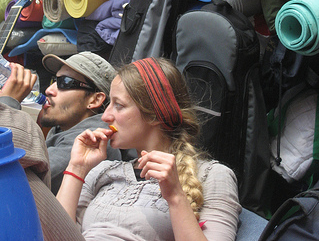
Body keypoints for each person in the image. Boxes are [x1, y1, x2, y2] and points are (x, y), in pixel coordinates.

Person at [55, 57, 242, 241]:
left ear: (155, 114)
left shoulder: (212, 176)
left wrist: (176, 196)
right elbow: (54, 234)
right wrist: (77, 167)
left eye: (118, 105)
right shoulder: (102, 170)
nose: (105, 116)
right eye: (108, 104)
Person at [0, 51, 123, 194]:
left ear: (94, 100)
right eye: (54, 81)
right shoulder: (64, 129)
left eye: (65, 82)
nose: (49, 90)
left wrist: (7, 103)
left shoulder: (93, 141)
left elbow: (11, 182)